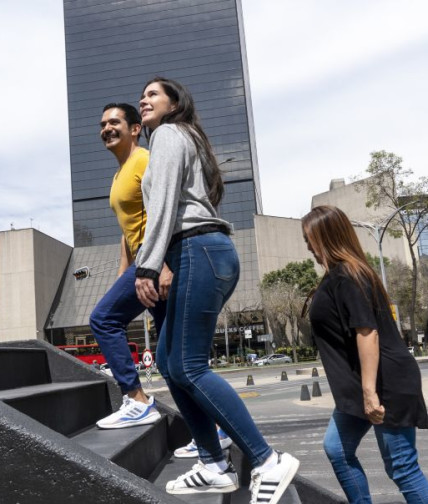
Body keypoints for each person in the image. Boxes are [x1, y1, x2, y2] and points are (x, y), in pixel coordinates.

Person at [134, 77, 299, 503]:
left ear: (174, 103)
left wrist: (147, 266)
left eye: (153, 94)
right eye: (143, 95)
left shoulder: (169, 134)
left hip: (197, 250)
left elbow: (167, 203)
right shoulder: (180, 139)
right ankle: (213, 463)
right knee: (171, 365)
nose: (144, 99)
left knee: (187, 366)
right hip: (201, 252)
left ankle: (267, 460)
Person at [301, 205, 428, 504]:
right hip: (362, 385)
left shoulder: (348, 275)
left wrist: (370, 393)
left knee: (402, 468)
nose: (308, 247)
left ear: (328, 237)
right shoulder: (339, 275)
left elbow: (367, 332)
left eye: (310, 239)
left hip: (384, 383)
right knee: (337, 449)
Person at [89, 103, 170, 429]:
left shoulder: (145, 161)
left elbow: (163, 215)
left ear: (135, 128)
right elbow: (128, 231)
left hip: (155, 263)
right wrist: (124, 272)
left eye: (114, 122)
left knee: (104, 319)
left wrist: (163, 265)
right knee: (170, 359)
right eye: (103, 123)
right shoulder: (121, 172)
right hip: (143, 264)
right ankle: (214, 431)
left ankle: (136, 400)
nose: (106, 128)